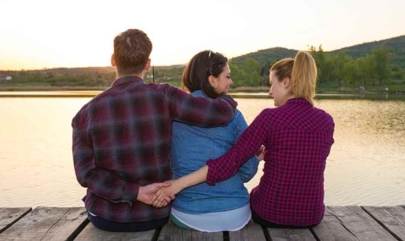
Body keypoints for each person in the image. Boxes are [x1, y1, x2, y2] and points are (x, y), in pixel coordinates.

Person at [72, 29, 238, 232]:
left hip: (107, 217)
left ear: (113, 60)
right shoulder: (164, 95)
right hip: (154, 215)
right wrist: (226, 97)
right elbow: (218, 114)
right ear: (147, 64)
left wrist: (136, 192)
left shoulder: (85, 113)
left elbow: (86, 174)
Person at [153, 51, 335, 228]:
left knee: (257, 194)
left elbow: (229, 162)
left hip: (268, 213)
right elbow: (302, 160)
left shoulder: (270, 118)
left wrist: (177, 184)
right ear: (212, 79)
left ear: (286, 83)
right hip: (311, 215)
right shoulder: (327, 121)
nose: (270, 91)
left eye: (272, 84)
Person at [169, 50, 259, 232]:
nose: (231, 82)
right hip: (235, 213)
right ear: (212, 80)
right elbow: (248, 170)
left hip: (188, 213)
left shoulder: (172, 113)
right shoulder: (234, 115)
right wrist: (228, 177)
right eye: (227, 76)